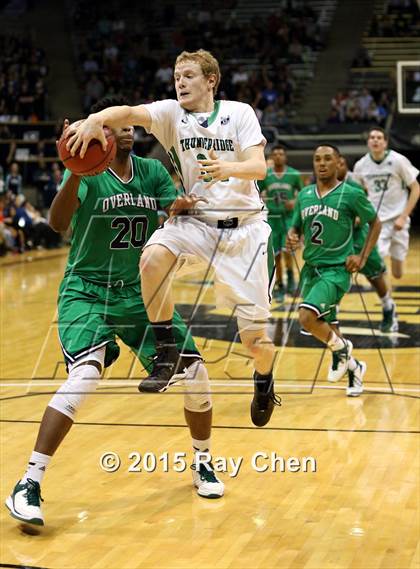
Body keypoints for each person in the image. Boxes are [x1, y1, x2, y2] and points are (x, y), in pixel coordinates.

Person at [5, 96, 224, 530]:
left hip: (142, 294)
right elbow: (57, 223)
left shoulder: (152, 171)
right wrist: (72, 168)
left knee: (196, 373)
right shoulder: (87, 170)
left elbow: (172, 207)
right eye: (115, 123)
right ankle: (28, 482)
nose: (126, 128)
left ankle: (202, 462)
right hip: (87, 291)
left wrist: (186, 205)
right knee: (85, 373)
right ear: (99, 131)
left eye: (129, 122)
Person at [66, 49, 281, 428]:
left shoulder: (239, 112)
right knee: (151, 258)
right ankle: (165, 348)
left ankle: (263, 379)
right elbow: (128, 113)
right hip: (198, 221)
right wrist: (95, 119)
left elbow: (259, 167)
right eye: (176, 76)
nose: (179, 82)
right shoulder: (171, 114)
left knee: (255, 343)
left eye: (188, 75)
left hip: (245, 230)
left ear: (210, 80)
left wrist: (228, 167)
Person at [287, 144, 381, 397]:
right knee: (328, 327)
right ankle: (355, 368)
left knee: (307, 316)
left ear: (338, 162)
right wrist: (292, 236)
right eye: (317, 159)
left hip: (336, 271)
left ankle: (342, 351)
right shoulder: (305, 195)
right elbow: (295, 227)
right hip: (310, 270)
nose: (322, 163)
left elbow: (375, 223)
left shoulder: (351, 194)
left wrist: (362, 256)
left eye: (328, 159)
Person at [337, 154, 398, 333]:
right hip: (340, 241)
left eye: (341, 163)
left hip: (360, 238)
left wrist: (356, 218)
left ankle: (388, 306)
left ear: (344, 166)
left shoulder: (354, 185)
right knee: (336, 277)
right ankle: (332, 315)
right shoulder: (325, 187)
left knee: (375, 276)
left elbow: (365, 213)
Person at [353, 127, 419, 280]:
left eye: (379, 137)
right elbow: (357, 194)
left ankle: (388, 278)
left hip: (398, 219)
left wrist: (404, 216)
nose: (375, 140)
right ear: (368, 142)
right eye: (372, 137)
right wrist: (359, 215)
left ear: (385, 142)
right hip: (377, 221)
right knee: (377, 262)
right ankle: (386, 299)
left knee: (397, 273)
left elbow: (416, 188)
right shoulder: (361, 165)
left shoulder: (398, 160)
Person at [258, 145, 302, 302]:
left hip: (288, 218)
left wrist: (295, 200)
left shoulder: (294, 174)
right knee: (275, 255)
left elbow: (303, 194)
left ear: (285, 157)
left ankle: (291, 279)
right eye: (275, 154)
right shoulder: (266, 175)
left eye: (281, 154)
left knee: (288, 251)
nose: (278, 156)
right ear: (272, 157)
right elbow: (256, 192)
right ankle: (279, 284)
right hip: (273, 219)